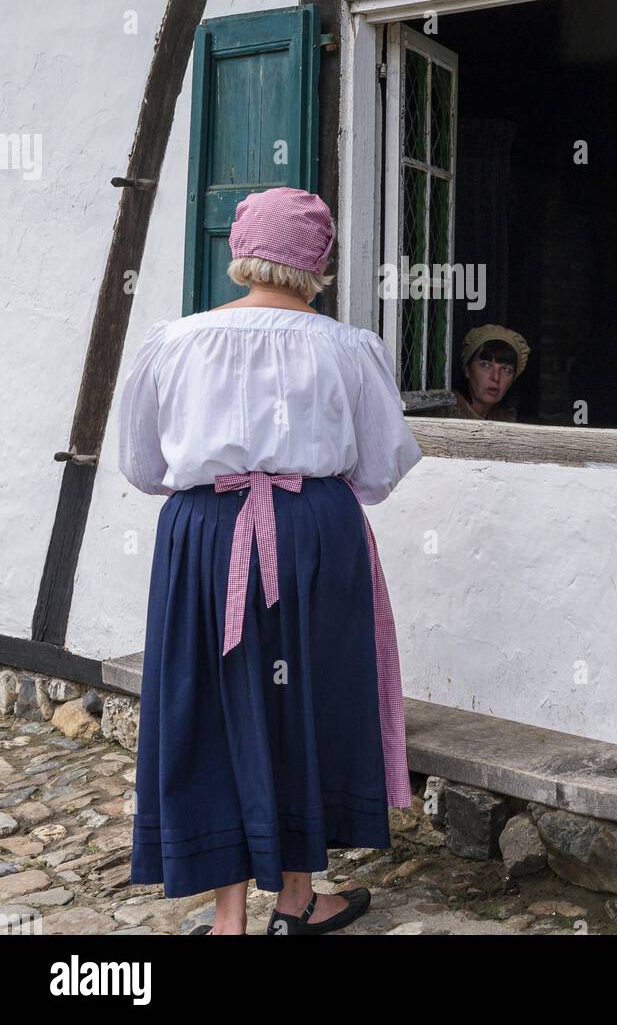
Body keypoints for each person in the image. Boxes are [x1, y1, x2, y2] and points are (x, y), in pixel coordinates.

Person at [117, 186, 422, 936]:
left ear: (239, 251)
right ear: (318, 261)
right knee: (303, 698)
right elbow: (381, 469)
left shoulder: (175, 341)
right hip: (315, 528)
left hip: (202, 532)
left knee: (206, 704)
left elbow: (143, 464)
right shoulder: (348, 347)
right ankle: (296, 895)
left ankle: (229, 921)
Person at [452, 324, 531, 422]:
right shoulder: (442, 414)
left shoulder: (509, 422)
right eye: (486, 365)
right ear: (467, 369)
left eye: (506, 370)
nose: (496, 377)